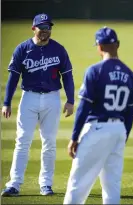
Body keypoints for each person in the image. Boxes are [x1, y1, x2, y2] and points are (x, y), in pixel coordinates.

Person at [1, 13, 75, 196]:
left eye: (48, 27)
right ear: (33, 28)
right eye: (41, 27)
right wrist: (6, 102)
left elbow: (67, 76)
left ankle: (46, 184)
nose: (45, 31)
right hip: (29, 98)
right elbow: (13, 77)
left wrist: (71, 100)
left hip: (52, 98)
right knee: (22, 141)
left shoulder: (58, 50)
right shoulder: (22, 49)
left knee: (49, 142)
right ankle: (14, 184)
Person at [63, 26, 133, 204]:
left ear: (99, 47)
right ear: (117, 45)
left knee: (77, 183)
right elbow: (130, 111)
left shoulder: (95, 71)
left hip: (97, 129)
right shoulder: (130, 75)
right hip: (118, 130)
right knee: (112, 187)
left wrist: (74, 137)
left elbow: (84, 107)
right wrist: (123, 135)